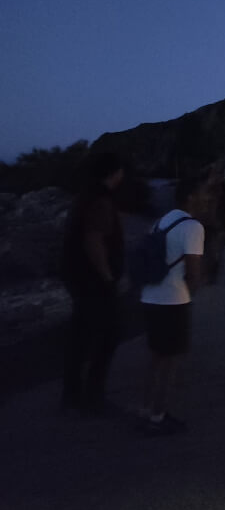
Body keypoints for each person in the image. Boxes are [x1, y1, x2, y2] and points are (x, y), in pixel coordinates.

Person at [138, 174, 206, 435]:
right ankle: (158, 416)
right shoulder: (192, 227)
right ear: (190, 196)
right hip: (173, 300)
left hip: (149, 297)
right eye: (203, 194)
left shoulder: (161, 221)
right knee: (169, 362)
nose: (206, 199)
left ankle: (145, 409)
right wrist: (192, 292)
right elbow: (194, 271)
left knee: (155, 358)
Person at [60, 152, 126, 415]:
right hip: (93, 281)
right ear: (113, 173)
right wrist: (108, 276)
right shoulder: (100, 201)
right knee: (108, 333)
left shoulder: (85, 196)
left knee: (81, 336)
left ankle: (73, 394)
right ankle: (91, 395)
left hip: (78, 278)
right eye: (120, 171)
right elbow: (94, 240)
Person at [198, 166, 225, 284]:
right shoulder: (205, 188)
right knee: (204, 252)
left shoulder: (224, 190)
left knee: (215, 253)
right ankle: (206, 275)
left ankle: (210, 276)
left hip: (216, 226)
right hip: (204, 224)